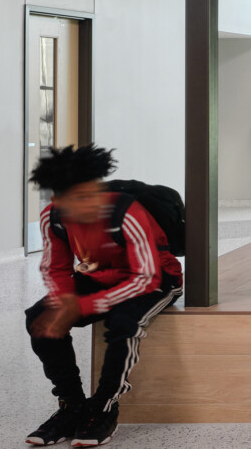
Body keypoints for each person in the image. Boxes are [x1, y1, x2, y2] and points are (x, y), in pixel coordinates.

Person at [24, 145, 184, 448]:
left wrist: (83, 305)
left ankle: (104, 406)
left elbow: (145, 277)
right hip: (100, 277)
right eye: (80, 198)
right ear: (60, 200)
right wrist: (64, 300)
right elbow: (55, 267)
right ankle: (72, 405)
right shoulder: (53, 218)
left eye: (94, 193)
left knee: (125, 321)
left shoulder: (125, 212)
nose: (92, 203)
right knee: (38, 318)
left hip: (157, 279)